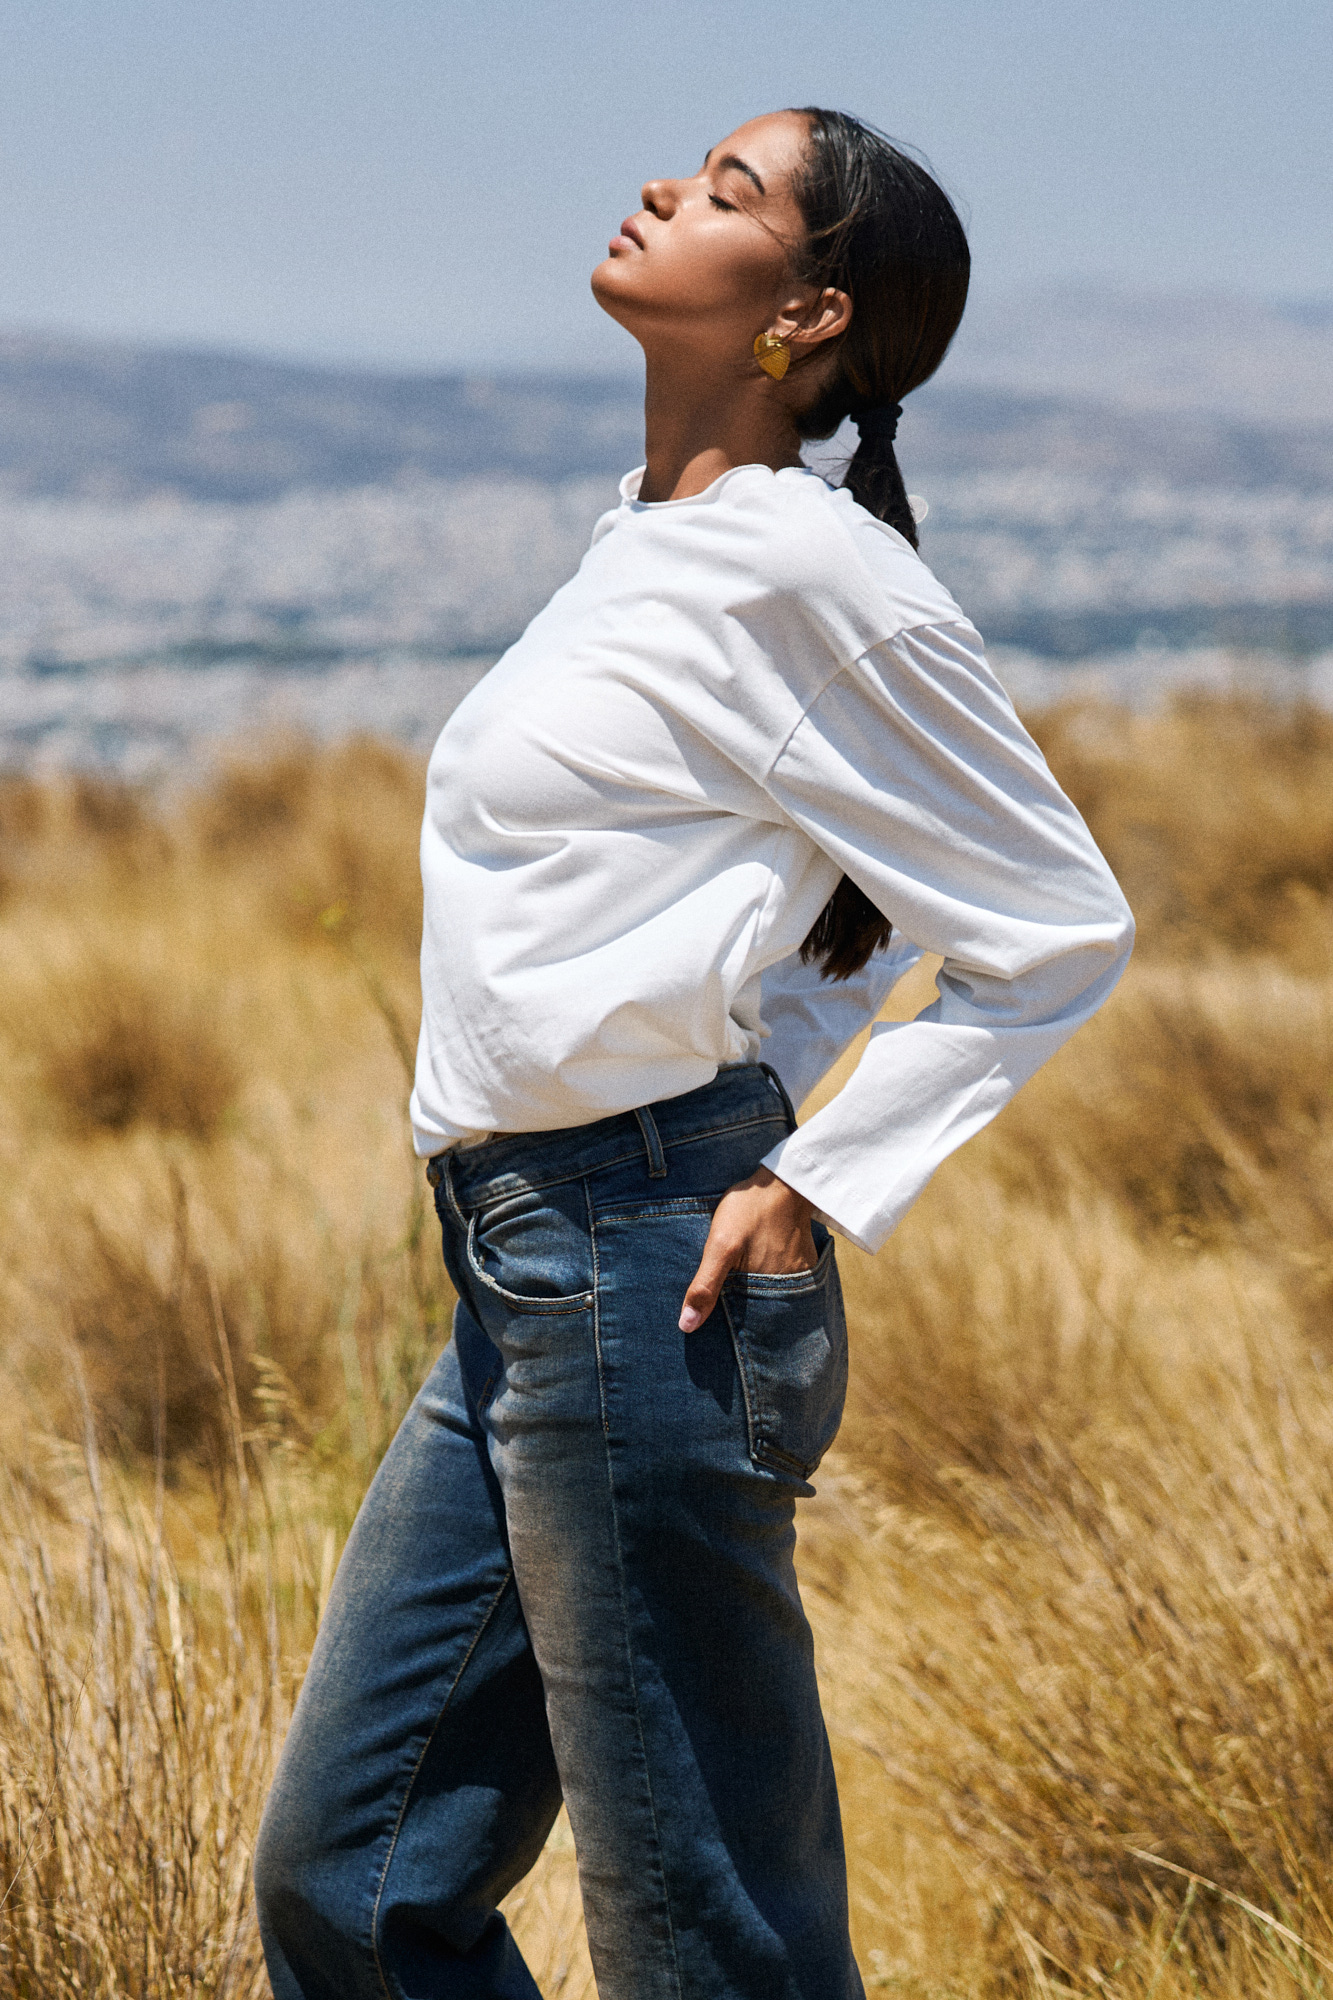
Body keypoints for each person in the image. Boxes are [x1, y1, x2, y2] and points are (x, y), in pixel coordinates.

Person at [254, 106, 1133, 2000]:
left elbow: (1052, 923)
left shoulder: (813, 572)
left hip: (649, 1269)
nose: (666, 187)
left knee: (701, 1937)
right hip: (519, 1269)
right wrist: (773, 1051)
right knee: (354, 1881)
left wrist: (809, 1166)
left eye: (729, 192)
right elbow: (833, 895)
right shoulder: (649, 541)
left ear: (803, 315)